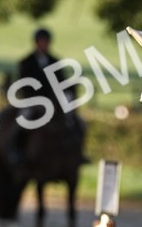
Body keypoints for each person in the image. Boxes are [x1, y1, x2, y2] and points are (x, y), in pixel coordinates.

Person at [7, 27, 87, 173]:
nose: (43, 44)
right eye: (41, 41)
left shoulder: (55, 61)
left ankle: (77, 154)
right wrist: (37, 100)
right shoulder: (26, 62)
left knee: (76, 121)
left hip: (52, 102)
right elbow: (24, 86)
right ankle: (16, 151)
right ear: (36, 43)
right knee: (23, 119)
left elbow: (61, 82)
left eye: (45, 42)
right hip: (31, 101)